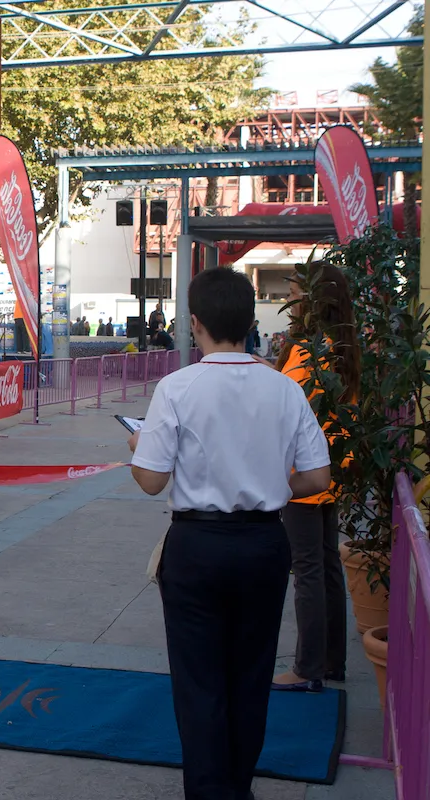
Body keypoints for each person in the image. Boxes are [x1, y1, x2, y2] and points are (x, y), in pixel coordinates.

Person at [129, 267, 330, 800]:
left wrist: (140, 449)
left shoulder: (177, 387)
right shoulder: (285, 388)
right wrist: (268, 479)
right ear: (250, 322)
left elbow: (150, 481)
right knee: (251, 672)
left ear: (195, 323)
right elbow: (317, 477)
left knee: (199, 683)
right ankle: (238, 789)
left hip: (197, 546)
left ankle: (208, 791)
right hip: (264, 544)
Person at [266, 264, 358, 693]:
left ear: (314, 299)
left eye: (297, 291)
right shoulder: (346, 347)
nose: (291, 299)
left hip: (305, 473)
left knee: (307, 570)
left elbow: (291, 409)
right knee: (325, 565)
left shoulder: (309, 351)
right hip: (334, 468)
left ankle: (307, 668)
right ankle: (331, 661)